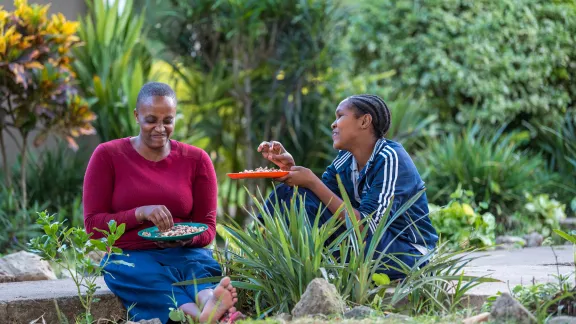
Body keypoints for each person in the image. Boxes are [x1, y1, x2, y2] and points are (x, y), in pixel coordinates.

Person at [83, 82, 240, 323]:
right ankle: (202, 316)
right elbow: (93, 227)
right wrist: (139, 213)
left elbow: (207, 228)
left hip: (185, 252)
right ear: (136, 116)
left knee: (196, 268)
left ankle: (209, 301)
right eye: (151, 120)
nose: (160, 128)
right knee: (145, 276)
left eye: (168, 120)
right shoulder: (108, 156)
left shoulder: (196, 160)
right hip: (131, 254)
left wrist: (189, 238)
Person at [258, 94, 438, 279]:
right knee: (288, 193)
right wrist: (291, 171)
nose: (333, 124)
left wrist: (312, 181)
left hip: (407, 252)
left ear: (365, 121)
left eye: (340, 116)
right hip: (365, 243)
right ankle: (265, 256)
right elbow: (315, 201)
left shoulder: (391, 158)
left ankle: (312, 272)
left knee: (352, 239)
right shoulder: (344, 161)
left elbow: (367, 228)